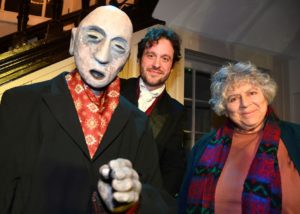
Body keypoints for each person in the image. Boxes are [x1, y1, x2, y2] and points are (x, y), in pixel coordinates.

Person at [0, 6, 176, 214]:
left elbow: (160, 201)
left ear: (126, 59)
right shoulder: (21, 103)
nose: (103, 56)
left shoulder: (137, 123)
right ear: (74, 41)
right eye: (93, 37)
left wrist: (135, 199)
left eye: (118, 47)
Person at [178, 61, 300, 213]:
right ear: (225, 108)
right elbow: (183, 204)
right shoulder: (203, 147)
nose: (245, 104)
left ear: (265, 95)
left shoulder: (296, 137)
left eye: (252, 93)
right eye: (233, 98)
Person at [120, 27, 186, 197]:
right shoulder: (115, 89)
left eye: (165, 58)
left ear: (172, 67)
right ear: (139, 58)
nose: (157, 64)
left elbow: (173, 169)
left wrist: (153, 204)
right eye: (151, 55)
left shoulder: (176, 112)